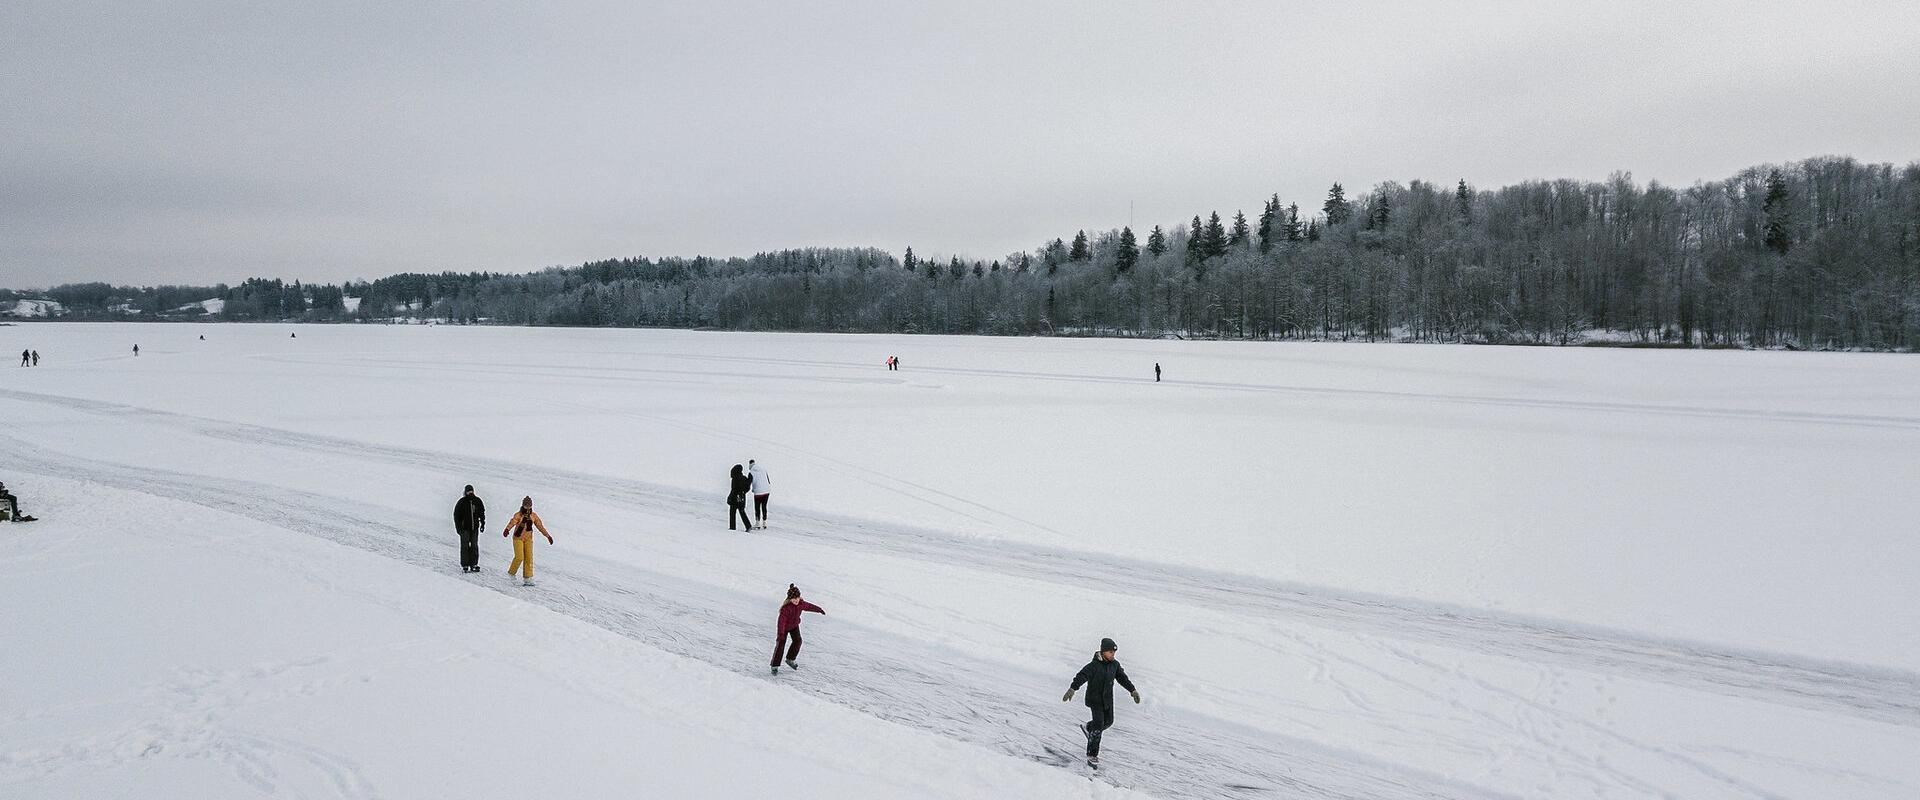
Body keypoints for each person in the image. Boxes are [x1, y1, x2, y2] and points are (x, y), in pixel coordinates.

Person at [1063, 637, 1139, 767]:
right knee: (1098, 725)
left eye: (1114, 653)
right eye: (1110, 652)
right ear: (1103, 652)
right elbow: (1081, 676)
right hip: (1095, 700)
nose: (1113, 655)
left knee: (1108, 722)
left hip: (1107, 699)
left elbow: (1122, 678)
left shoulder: (1115, 665)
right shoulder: (1093, 666)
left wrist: (1132, 690)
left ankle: (1088, 728)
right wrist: (1072, 689)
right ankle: (1092, 754)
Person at [770, 584, 824, 674]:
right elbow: (781, 622)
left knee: (798, 641)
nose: (795, 600)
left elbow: (810, 606)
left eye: (797, 598)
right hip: (784, 628)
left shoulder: (801, 604)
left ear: (799, 597)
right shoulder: (786, 609)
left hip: (794, 626)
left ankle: (790, 659)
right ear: (790, 599)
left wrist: (819, 609)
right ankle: (774, 665)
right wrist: (780, 634)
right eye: (793, 598)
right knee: (780, 645)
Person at [501, 496, 552, 586]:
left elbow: (540, 526)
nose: (528, 508)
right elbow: (512, 522)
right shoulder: (518, 515)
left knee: (529, 557)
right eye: (526, 506)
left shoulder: (533, 515)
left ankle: (527, 578)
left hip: (528, 538)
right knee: (519, 557)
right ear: (523, 505)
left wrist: (547, 536)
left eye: (529, 506)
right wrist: (507, 529)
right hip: (518, 538)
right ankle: (511, 574)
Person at [453, 485, 486, 573]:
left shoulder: (477, 501)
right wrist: (458, 528)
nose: (470, 493)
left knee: (474, 546)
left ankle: (474, 564)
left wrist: (482, 523)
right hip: (464, 529)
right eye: (468, 491)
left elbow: (482, 513)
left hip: (474, 528)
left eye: (471, 491)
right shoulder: (462, 502)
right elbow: (456, 515)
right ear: (466, 492)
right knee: (465, 546)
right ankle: (465, 564)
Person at [728, 464, 755, 531]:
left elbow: (733, 489)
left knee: (732, 513)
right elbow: (747, 488)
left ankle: (732, 527)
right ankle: (748, 526)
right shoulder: (744, 478)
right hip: (742, 497)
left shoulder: (734, 479)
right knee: (742, 512)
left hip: (734, 498)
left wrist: (729, 497)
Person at [748, 458, 771, 527]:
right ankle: (764, 522)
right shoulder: (764, 469)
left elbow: (748, 483)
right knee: (764, 506)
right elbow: (768, 480)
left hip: (758, 492)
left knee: (757, 507)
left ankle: (757, 523)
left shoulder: (751, 472)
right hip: (767, 491)